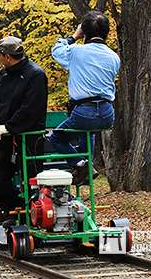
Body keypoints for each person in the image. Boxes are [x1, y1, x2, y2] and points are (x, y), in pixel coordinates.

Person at [48, 11, 120, 185]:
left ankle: (82, 165)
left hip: (83, 111)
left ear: (84, 32)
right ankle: (84, 166)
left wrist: (73, 36)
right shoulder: (114, 57)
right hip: (107, 113)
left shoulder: (75, 52)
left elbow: (56, 51)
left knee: (56, 137)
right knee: (87, 133)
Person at [0, 36, 48, 221]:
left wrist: (9, 127)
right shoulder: (3, 74)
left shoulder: (35, 74)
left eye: (0, 55)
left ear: (7, 56)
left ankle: (35, 215)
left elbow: (31, 109)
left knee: (32, 179)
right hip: (3, 139)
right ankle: (12, 209)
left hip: (29, 138)